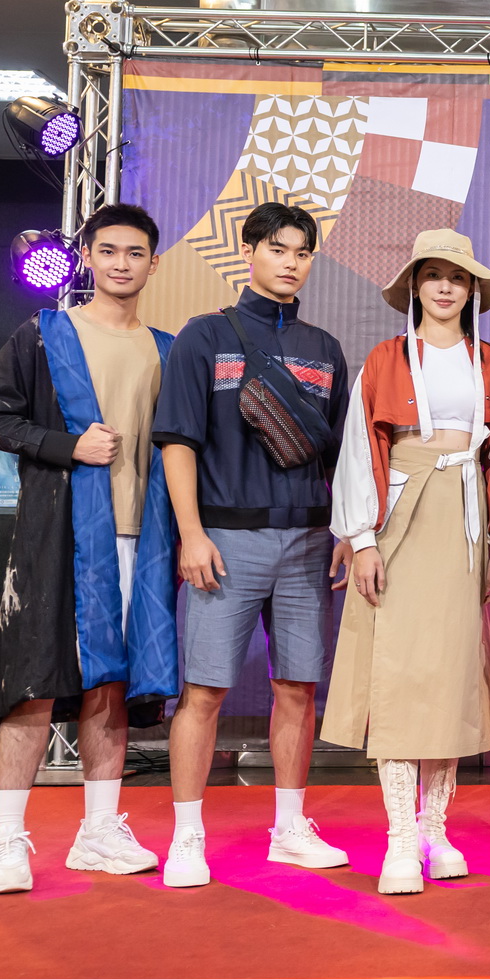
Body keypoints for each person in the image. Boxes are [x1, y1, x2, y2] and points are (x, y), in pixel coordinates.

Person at [0, 204, 180, 895]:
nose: (122, 263)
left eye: (135, 253)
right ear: (86, 257)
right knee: (32, 684)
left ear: (154, 263)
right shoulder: (45, 333)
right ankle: (7, 841)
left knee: (110, 687)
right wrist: (66, 445)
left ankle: (98, 832)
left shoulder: (168, 349)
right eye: (109, 250)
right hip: (59, 535)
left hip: (142, 538)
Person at [153, 201, 352, 888]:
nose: (290, 262)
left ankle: (290, 829)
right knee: (204, 691)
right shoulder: (204, 336)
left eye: (302, 252)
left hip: (309, 541)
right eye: (277, 248)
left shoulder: (325, 349)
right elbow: (178, 442)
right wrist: (192, 534)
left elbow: (341, 457)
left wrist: (344, 532)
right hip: (225, 541)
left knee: (297, 688)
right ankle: (186, 837)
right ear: (248, 251)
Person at [324, 229, 490, 895]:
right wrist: (362, 539)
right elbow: (359, 449)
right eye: (433, 274)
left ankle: (435, 827)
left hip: (467, 522)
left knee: (451, 677)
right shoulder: (385, 359)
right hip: (400, 517)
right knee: (401, 676)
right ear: (414, 284)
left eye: (457, 277)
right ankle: (400, 838)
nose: (444, 287)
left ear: (472, 291)